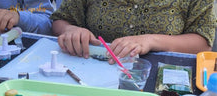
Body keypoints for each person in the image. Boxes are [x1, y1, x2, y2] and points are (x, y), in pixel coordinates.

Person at [51, 0, 217, 64]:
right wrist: (71, 30)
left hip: (159, 83)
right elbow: (61, 20)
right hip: (89, 69)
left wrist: (150, 40)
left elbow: (202, 43)